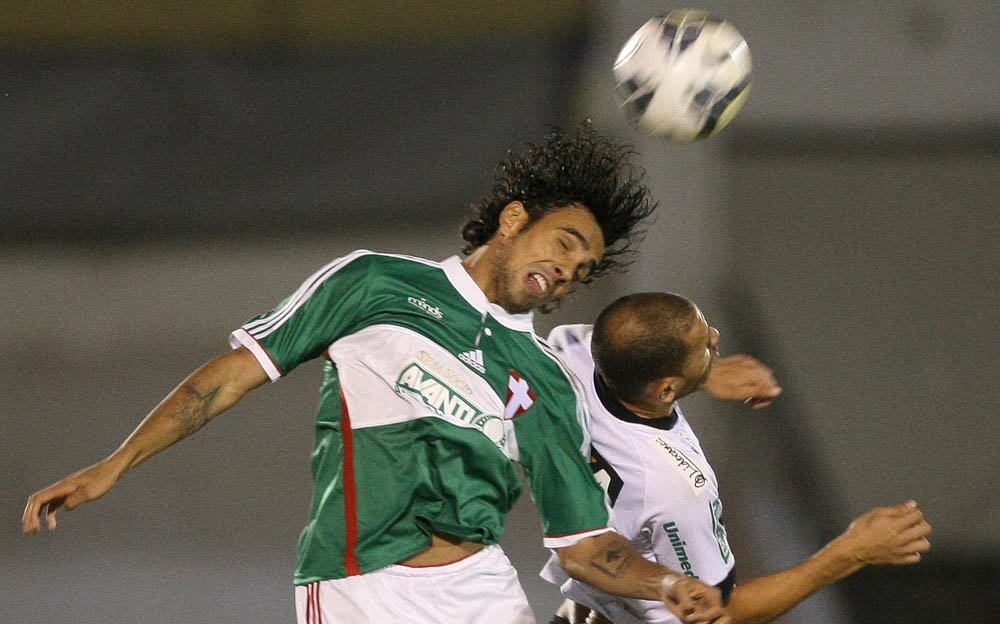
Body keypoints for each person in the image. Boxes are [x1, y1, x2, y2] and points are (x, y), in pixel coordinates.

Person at [22, 125, 732, 624]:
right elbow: (231, 377)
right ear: (515, 219)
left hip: (480, 589)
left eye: (582, 272)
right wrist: (116, 463)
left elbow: (583, 545)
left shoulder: (545, 381)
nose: (566, 272)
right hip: (364, 584)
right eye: (564, 243)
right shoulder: (374, 283)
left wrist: (670, 583)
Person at [540, 292, 933, 624]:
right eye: (702, 346)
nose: (714, 335)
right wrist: (849, 552)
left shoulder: (569, 351)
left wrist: (700, 372)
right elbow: (722, 611)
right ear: (664, 390)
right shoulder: (674, 489)